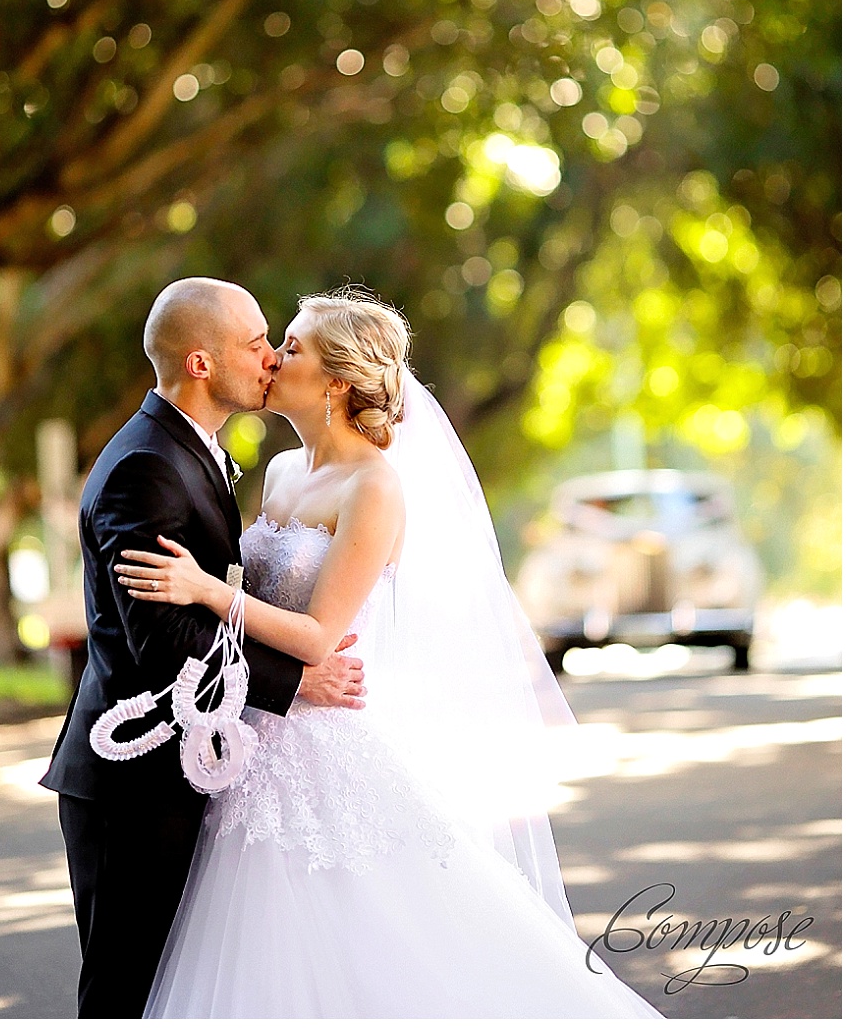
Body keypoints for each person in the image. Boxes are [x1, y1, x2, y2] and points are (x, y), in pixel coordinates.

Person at [115, 286, 660, 1017]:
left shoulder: (376, 488)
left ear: (338, 379)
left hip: (321, 738)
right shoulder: (278, 473)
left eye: (294, 347)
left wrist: (209, 592)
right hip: (254, 739)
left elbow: (314, 635)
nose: (275, 356)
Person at [38, 277, 368, 1018]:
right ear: (199, 362)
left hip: (189, 766)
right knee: (126, 990)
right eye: (256, 344)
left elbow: (211, 603)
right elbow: (163, 645)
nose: (270, 358)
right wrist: (300, 681)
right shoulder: (145, 466)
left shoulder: (198, 450)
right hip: (133, 779)